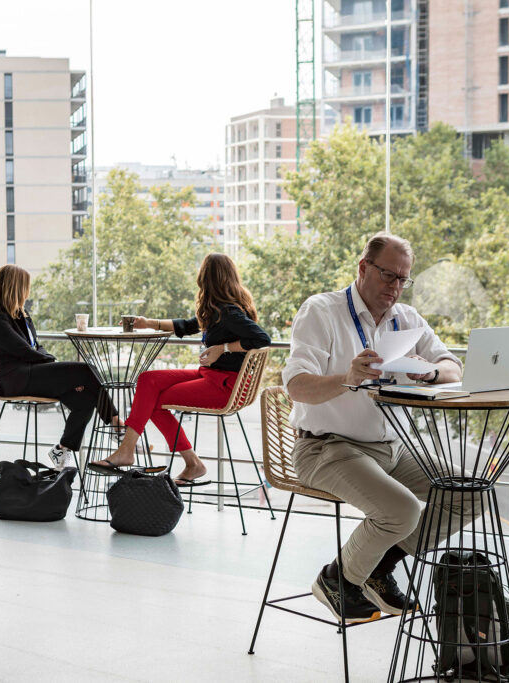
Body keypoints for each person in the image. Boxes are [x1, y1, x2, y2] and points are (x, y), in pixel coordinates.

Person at [283, 232, 476, 623]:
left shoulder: (407, 319)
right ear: (363, 268)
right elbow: (296, 386)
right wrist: (348, 377)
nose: (396, 287)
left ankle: (377, 566)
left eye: (404, 279)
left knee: (470, 493)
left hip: (392, 449)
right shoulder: (321, 311)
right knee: (402, 510)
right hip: (327, 447)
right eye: (389, 275)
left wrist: (430, 372)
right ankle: (338, 579)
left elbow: (454, 367)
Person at [90, 253, 271, 484]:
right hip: (211, 376)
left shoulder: (229, 312)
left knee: (154, 401)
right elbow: (187, 325)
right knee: (148, 380)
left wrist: (222, 348)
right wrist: (149, 323)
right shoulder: (218, 310)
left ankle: (140, 453)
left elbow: (262, 339)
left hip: (226, 385)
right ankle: (170, 458)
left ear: (207, 279)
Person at [0, 265, 117, 470]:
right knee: (86, 371)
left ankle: (62, 449)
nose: (28, 292)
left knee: (86, 398)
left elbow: (36, 347)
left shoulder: (20, 315)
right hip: (16, 379)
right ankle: (117, 425)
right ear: (14, 288)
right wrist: (57, 368)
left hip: (31, 374)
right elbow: (24, 351)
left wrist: (57, 369)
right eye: (25, 287)